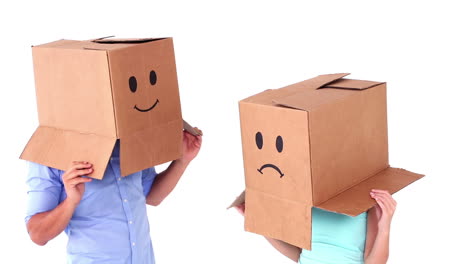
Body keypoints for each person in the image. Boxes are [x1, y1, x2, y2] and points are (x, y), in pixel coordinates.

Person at [25, 131, 202, 264]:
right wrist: (71, 201)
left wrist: (182, 161)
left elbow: (152, 196)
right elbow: (38, 234)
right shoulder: (50, 150)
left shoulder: (131, 138)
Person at [236, 189, 396, 264]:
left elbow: (300, 256)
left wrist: (258, 224)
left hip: (314, 190)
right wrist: (385, 227)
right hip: (343, 186)